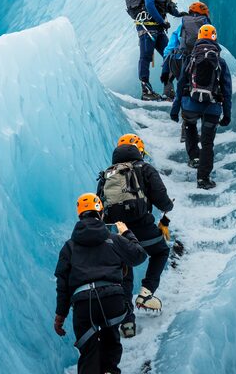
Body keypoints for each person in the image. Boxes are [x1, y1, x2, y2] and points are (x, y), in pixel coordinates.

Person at [54, 193, 147, 374]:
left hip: (83, 304)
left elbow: (62, 283)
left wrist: (60, 315)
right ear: (101, 214)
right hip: (111, 300)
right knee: (110, 341)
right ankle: (109, 370)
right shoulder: (113, 240)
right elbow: (139, 255)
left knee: (88, 351)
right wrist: (127, 233)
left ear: (80, 215)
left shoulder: (69, 246)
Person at [95, 133, 174, 333]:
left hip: (116, 231)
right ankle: (146, 293)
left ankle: (127, 321)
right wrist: (167, 207)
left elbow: (98, 206)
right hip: (142, 226)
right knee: (160, 252)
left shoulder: (107, 174)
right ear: (139, 151)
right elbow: (162, 199)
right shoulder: (145, 169)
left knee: (124, 271)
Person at [171, 25, 233, 189]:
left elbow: (180, 85)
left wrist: (175, 109)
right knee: (207, 143)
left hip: (190, 106)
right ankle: (203, 179)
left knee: (190, 125)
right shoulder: (220, 61)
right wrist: (227, 114)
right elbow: (227, 91)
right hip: (212, 107)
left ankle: (194, 157)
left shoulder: (191, 58)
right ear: (215, 37)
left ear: (198, 37)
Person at [136, 0, 180, 100]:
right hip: (147, 26)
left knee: (170, 55)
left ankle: (168, 90)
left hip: (158, 28)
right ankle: (146, 91)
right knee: (146, 56)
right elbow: (149, 5)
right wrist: (161, 21)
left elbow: (167, 5)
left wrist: (179, 13)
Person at [159, 1, 211, 101]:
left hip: (180, 63)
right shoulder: (206, 26)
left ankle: (168, 93)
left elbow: (169, 49)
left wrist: (165, 70)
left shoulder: (183, 26)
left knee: (172, 57)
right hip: (199, 63)